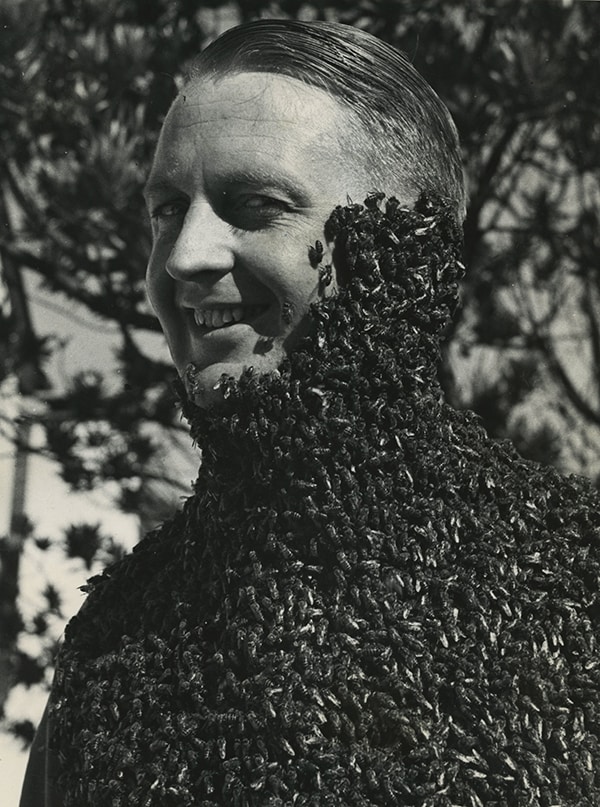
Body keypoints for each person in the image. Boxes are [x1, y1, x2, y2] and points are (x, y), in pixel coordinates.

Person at [20, 18, 600, 807]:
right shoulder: (108, 650)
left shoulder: (581, 575)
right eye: (164, 210)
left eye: (255, 205)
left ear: (410, 251)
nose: (184, 256)